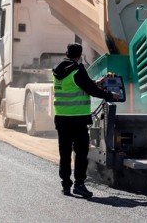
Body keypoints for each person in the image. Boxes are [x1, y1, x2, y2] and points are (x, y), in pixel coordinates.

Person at [53, 43, 121, 198]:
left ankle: (65, 185)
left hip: (62, 119)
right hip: (77, 120)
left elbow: (80, 86)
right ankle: (79, 184)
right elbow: (91, 90)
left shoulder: (57, 71)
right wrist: (111, 96)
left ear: (67, 53)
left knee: (64, 153)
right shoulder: (77, 70)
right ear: (80, 55)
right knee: (81, 153)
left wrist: (98, 82)